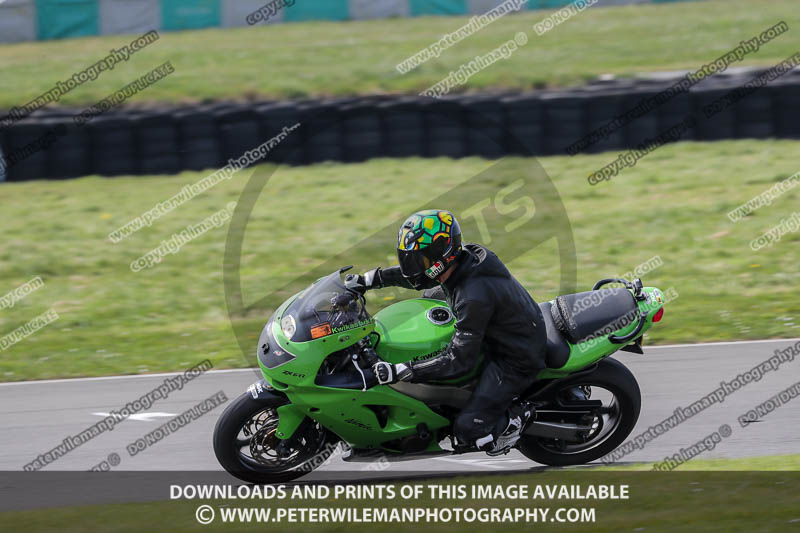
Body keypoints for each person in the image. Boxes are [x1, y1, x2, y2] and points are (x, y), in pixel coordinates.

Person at [347, 209, 547, 455]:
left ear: (439, 257)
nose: (413, 266)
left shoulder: (473, 296)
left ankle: (517, 417)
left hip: (516, 355)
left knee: (468, 431)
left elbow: (459, 360)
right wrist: (370, 279)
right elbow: (418, 276)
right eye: (410, 258)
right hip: (498, 326)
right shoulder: (459, 260)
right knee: (429, 297)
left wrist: (403, 370)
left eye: (419, 260)